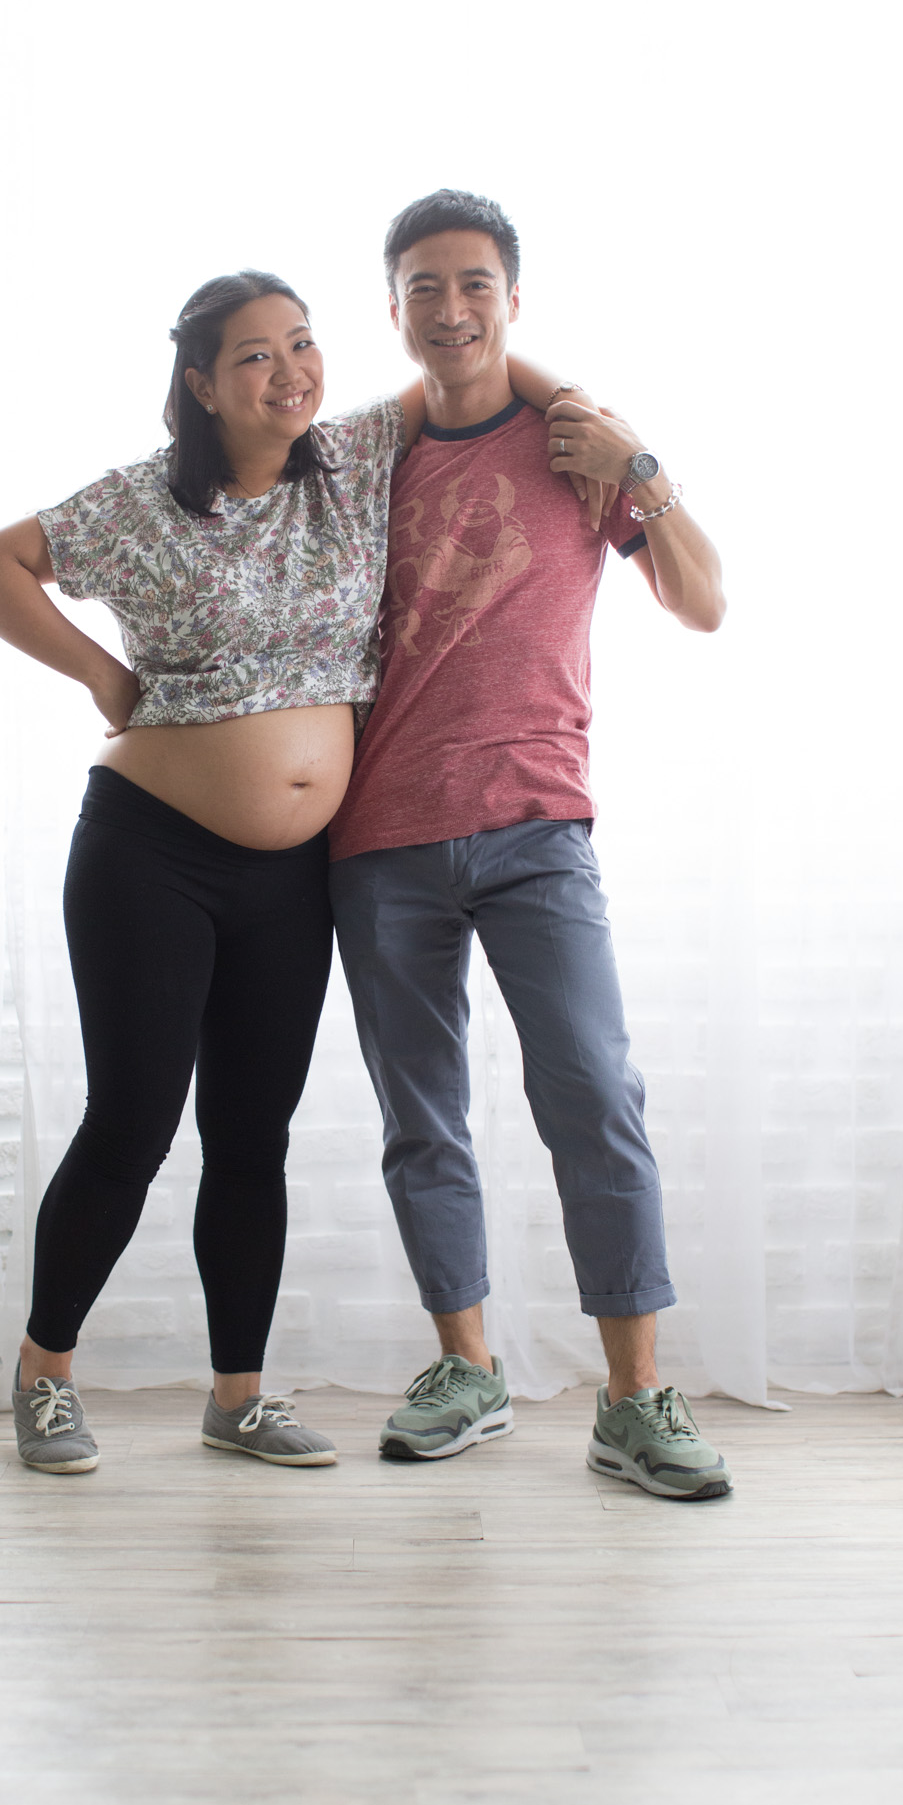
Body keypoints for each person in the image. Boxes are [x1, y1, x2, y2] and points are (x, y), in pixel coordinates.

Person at [0, 271, 427, 1473]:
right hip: (150, 854)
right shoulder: (141, 502)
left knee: (252, 1135)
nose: (290, 372)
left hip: (293, 874)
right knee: (133, 1121)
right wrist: (102, 675)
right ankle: (44, 1373)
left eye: (302, 344)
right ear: (203, 383)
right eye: (255, 355)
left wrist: (619, 448)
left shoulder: (355, 462)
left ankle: (238, 1398)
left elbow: (476, 371)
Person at [329, 190, 735, 1499]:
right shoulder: (364, 458)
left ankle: (634, 1398)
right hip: (379, 838)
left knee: (595, 1100)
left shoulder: (579, 446)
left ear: (512, 298)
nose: (450, 309)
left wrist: (639, 462)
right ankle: (468, 1369)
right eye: (424, 287)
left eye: (474, 284)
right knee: (421, 1121)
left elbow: (704, 601)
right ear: (393, 307)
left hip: (535, 828)